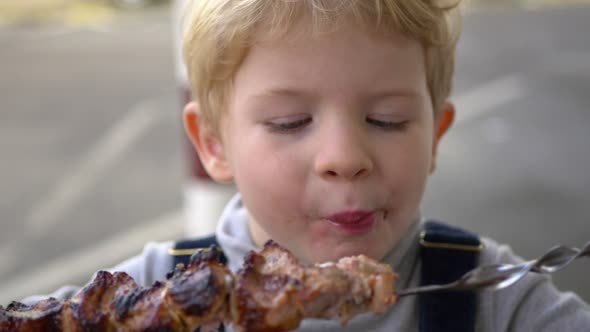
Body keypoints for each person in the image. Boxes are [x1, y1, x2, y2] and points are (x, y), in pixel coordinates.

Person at [20, 0, 590, 331]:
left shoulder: (501, 299)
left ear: (436, 136)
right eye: (291, 122)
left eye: (388, 119)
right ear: (214, 144)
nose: (344, 159)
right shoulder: (147, 295)